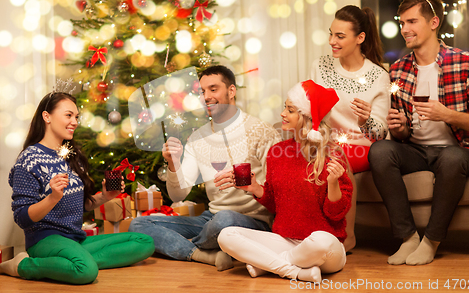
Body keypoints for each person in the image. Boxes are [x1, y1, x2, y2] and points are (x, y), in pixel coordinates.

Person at [368, 0, 469, 266]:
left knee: (451, 158)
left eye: (412, 21)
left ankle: (431, 241)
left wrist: (448, 115)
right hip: (416, 150)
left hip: (460, 150)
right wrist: (401, 127)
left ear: (434, 23)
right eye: (402, 22)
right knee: (380, 151)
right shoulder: (399, 69)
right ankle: (408, 238)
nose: (405, 29)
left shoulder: (465, 63)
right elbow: (403, 132)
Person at [129, 65, 281, 271]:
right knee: (139, 225)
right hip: (212, 219)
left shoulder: (260, 130)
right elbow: (177, 195)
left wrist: (251, 186)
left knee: (224, 221)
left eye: (213, 89)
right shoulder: (198, 137)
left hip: (254, 220)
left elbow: (280, 189)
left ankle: (190, 246)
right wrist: (173, 163)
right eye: (202, 91)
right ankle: (202, 255)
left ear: (231, 91)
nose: (206, 96)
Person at [1, 89, 155, 284]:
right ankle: (21, 266)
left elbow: (80, 206)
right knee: (86, 272)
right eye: (68, 115)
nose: (74, 121)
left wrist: (105, 196)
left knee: (144, 242)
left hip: (75, 238)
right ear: (46, 116)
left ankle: (71, 262)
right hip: (45, 240)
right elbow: (22, 218)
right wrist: (52, 198)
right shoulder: (29, 160)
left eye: (76, 116)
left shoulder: (72, 157)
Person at [218, 80, 352, 283]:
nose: (282, 113)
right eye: (284, 107)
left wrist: (333, 183)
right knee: (226, 235)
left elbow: (336, 215)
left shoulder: (332, 154)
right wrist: (254, 188)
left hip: (325, 248)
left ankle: (271, 264)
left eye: (290, 110)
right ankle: (296, 272)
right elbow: (274, 205)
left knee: (321, 241)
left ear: (307, 117)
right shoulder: (277, 153)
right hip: (285, 240)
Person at [310, 5, 390, 251]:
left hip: (361, 147)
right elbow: (311, 109)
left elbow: (380, 132)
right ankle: (301, 232)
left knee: (336, 158)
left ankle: (347, 236)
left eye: (340, 36)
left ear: (360, 38)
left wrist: (366, 119)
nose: (332, 41)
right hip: (326, 143)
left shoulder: (378, 76)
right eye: (331, 34)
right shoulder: (320, 65)